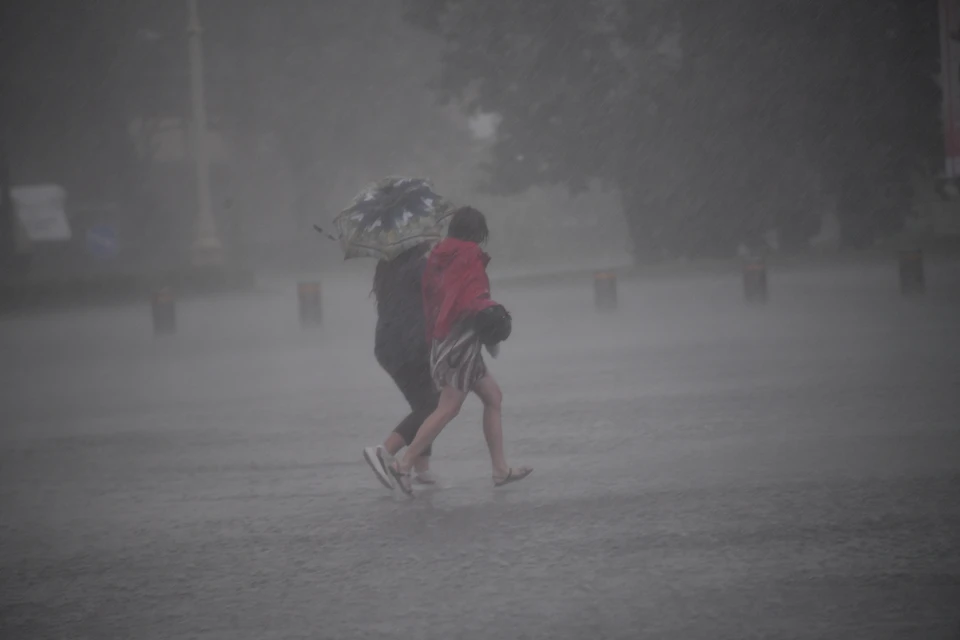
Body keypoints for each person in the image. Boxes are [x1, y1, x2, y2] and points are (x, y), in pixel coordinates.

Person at [386, 206, 532, 495]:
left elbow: (439, 300)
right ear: (477, 232)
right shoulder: (468, 256)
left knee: (493, 397)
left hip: (445, 340)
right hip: (461, 342)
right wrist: (494, 315)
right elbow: (471, 298)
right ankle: (403, 465)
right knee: (448, 408)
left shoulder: (439, 257)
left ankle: (500, 470)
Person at [362, 242, 441, 489]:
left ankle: (421, 468)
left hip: (388, 346)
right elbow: (442, 291)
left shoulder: (386, 268)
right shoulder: (419, 267)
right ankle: (384, 451)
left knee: (424, 403)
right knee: (433, 406)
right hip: (410, 346)